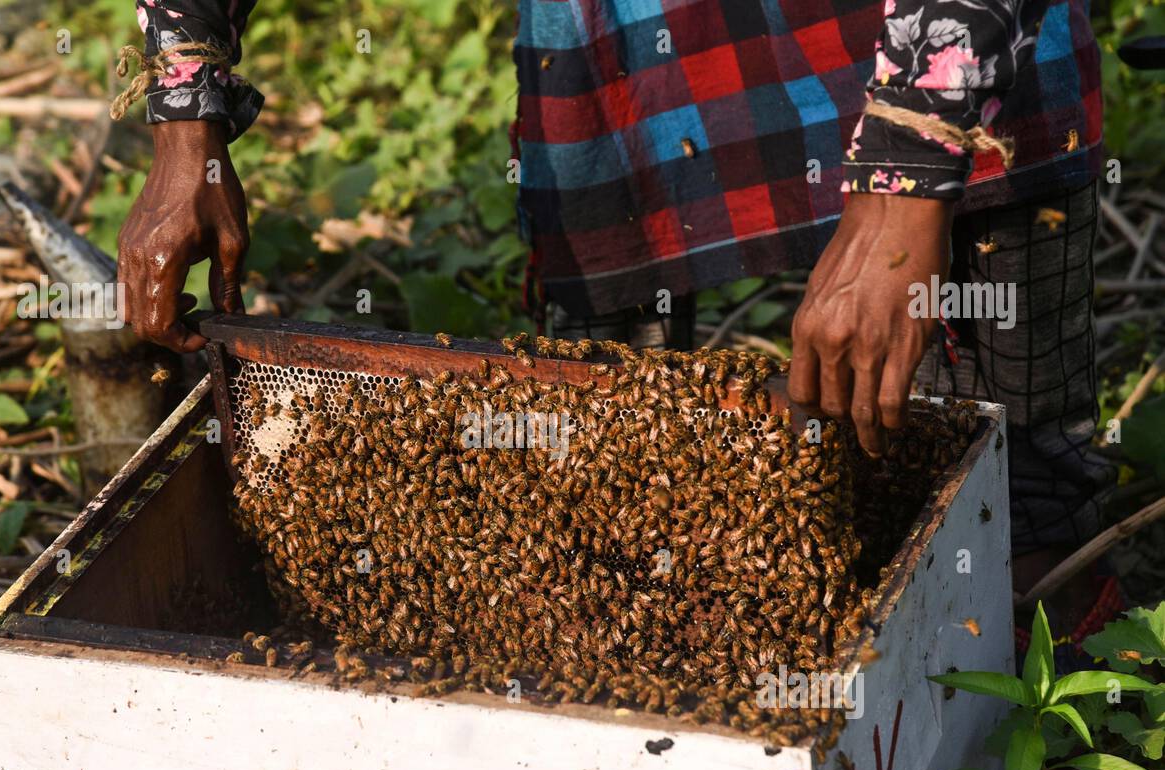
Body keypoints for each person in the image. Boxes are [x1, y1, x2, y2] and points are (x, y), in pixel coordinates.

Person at [115, 1, 1118, 648]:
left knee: (1017, 510)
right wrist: (187, 108)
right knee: (602, 507)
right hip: (631, 44)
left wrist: (907, 181)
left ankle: (1034, 717)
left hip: (941, 41)